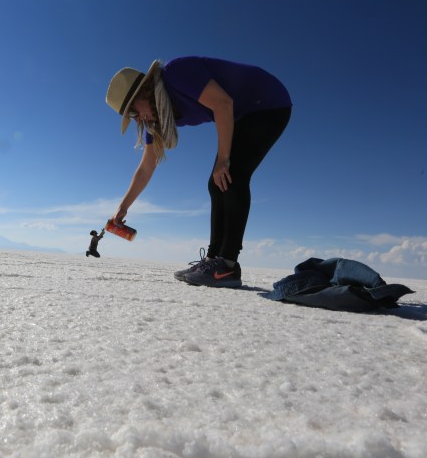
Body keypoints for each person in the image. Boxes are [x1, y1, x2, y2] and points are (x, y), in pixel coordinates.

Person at [105, 56, 291, 288]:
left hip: (268, 102)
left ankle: (228, 266)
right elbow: (146, 167)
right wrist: (123, 208)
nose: (137, 118)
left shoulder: (176, 73)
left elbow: (223, 104)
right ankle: (214, 260)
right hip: (244, 113)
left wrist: (223, 160)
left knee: (230, 175)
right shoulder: (159, 119)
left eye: (133, 110)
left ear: (143, 92)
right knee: (217, 183)